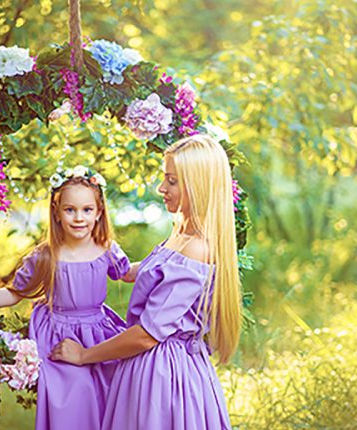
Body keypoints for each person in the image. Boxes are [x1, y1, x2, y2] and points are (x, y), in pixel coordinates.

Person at [50, 135, 241, 429]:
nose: (161, 188)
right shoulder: (180, 235)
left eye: (172, 181)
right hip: (145, 365)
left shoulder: (197, 248)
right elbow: (137, 272)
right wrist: (90, 242)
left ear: (198, 185)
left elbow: (147, 334)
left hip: (164, 376)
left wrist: (84, 355)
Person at [0, 166, 131, 430]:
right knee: (75, 395)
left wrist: (165, 268)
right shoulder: (45, 255)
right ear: (56, 213)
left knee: (115, 389)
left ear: (99, 212)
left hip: (98, 332)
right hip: (59, 335)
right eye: (70, 210)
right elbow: (15, 293)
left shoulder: (106, 249)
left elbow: (128, 273)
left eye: (87, 210)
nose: (79, 218)